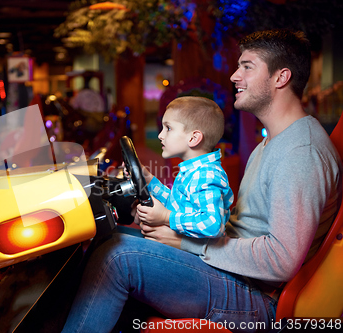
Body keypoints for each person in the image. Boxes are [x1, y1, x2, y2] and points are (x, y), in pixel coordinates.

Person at [61, 29, 342, 333]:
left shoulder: (301, 153)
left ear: (280, 78)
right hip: (235, 274)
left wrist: (187, 243)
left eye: (247, 67)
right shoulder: (273, 142)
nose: (235, 76)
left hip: (259, 299)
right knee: (111, 237)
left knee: (119, 258)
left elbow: (281, 260)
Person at [135, 96, 234, 239]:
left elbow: (212, 225)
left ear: (193, 138)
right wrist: (148, 180)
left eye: (168, 128)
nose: (160, 135)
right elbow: (177, 204)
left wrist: (165, 217)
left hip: (196, 256)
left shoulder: (206, 174)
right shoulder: (194, 170)